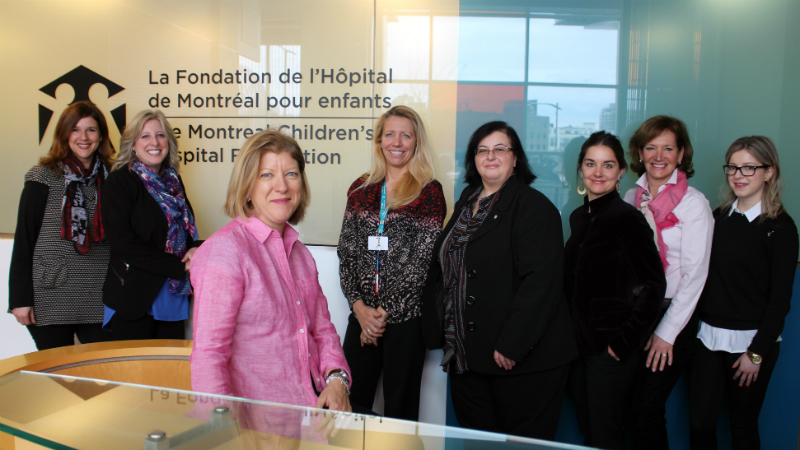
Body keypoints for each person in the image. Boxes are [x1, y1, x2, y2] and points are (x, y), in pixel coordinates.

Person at [421, 121, 578, 440]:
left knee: (522, 446)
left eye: (500, 149)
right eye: (483, 150)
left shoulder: (534, 207)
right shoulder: (468, 200)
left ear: (516, 158)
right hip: (467, 358)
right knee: (479, 443)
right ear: (473, 159)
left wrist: (513, 345)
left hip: (520, 360)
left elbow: (541, 283)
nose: (490, 156)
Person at [190, 129, 351, 414]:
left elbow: (322, 330)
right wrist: (221, 432)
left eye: (291, 174)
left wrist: (337, 380)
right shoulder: (224, 252)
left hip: (308, 416)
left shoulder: (300, 255)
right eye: (267, 175)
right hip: (254, 429)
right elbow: (209, 358)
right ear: (247, 186)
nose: (282, 186)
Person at [337, 105, 446, 420]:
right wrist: (360, 309)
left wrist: (380, 317)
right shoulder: (360, 189)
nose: (397, 142)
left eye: (406, 135)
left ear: (416, 142)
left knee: (400, 410)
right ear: (379, 141)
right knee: (349, 406)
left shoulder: (429, 192)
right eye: (390, 134)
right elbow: (348, 253)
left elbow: (421, 263)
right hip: (362, 317)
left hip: (406, 322)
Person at [689, 136, 798, 449]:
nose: (738, 175)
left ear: (769, 172)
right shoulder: (719, 218)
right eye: (733, 167)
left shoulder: (781, 227)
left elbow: (780, 299)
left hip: (750, 344)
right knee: (700, 426)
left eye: (749, 168)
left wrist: (756, 353)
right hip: (708, 338)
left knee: (743, 426)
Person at [564, 131, 666, 449]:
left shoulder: (627, 219)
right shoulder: (580, 216)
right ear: (580, 168)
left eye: (608, 165)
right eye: (591, 163)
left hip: (610, 351)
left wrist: (622, 344)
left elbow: (653, 285)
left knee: (607, 435)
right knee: (590, 431)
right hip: (579, 348)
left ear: (621, 172)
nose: (598, 172)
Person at [623, 115, 714, 449]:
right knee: (629, 408)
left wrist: (667, 332)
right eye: (651, 147)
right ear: (640, 152)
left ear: (681, 154)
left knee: (645, 411)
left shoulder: (694, 204)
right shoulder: (631, 197)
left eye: (668, 148)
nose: (658, 156)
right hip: (636, 314)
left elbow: (695, 275)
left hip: (673, 317)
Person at [8, 101, 114, 350]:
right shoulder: (43, 176)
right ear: (64, 134)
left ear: (101, 136)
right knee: (58, 378)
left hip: (100, 295)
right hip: (51, 293)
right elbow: (24, 239)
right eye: (75, 130)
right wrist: (19, 299)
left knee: (105, 374)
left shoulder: (114, 177)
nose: (83, 137)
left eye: (91, 130)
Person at [101, 110, 200, 340]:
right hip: (134, 298)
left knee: (168, 373)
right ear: (132, 145)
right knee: (133, 375)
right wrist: (179, 267)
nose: (154, 142)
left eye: (160, 135)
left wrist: (195, 248)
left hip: (171, 297)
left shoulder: (173, 181)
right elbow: (123, 244)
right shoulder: (120, 181)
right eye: (145, 136)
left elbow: (185, 232)